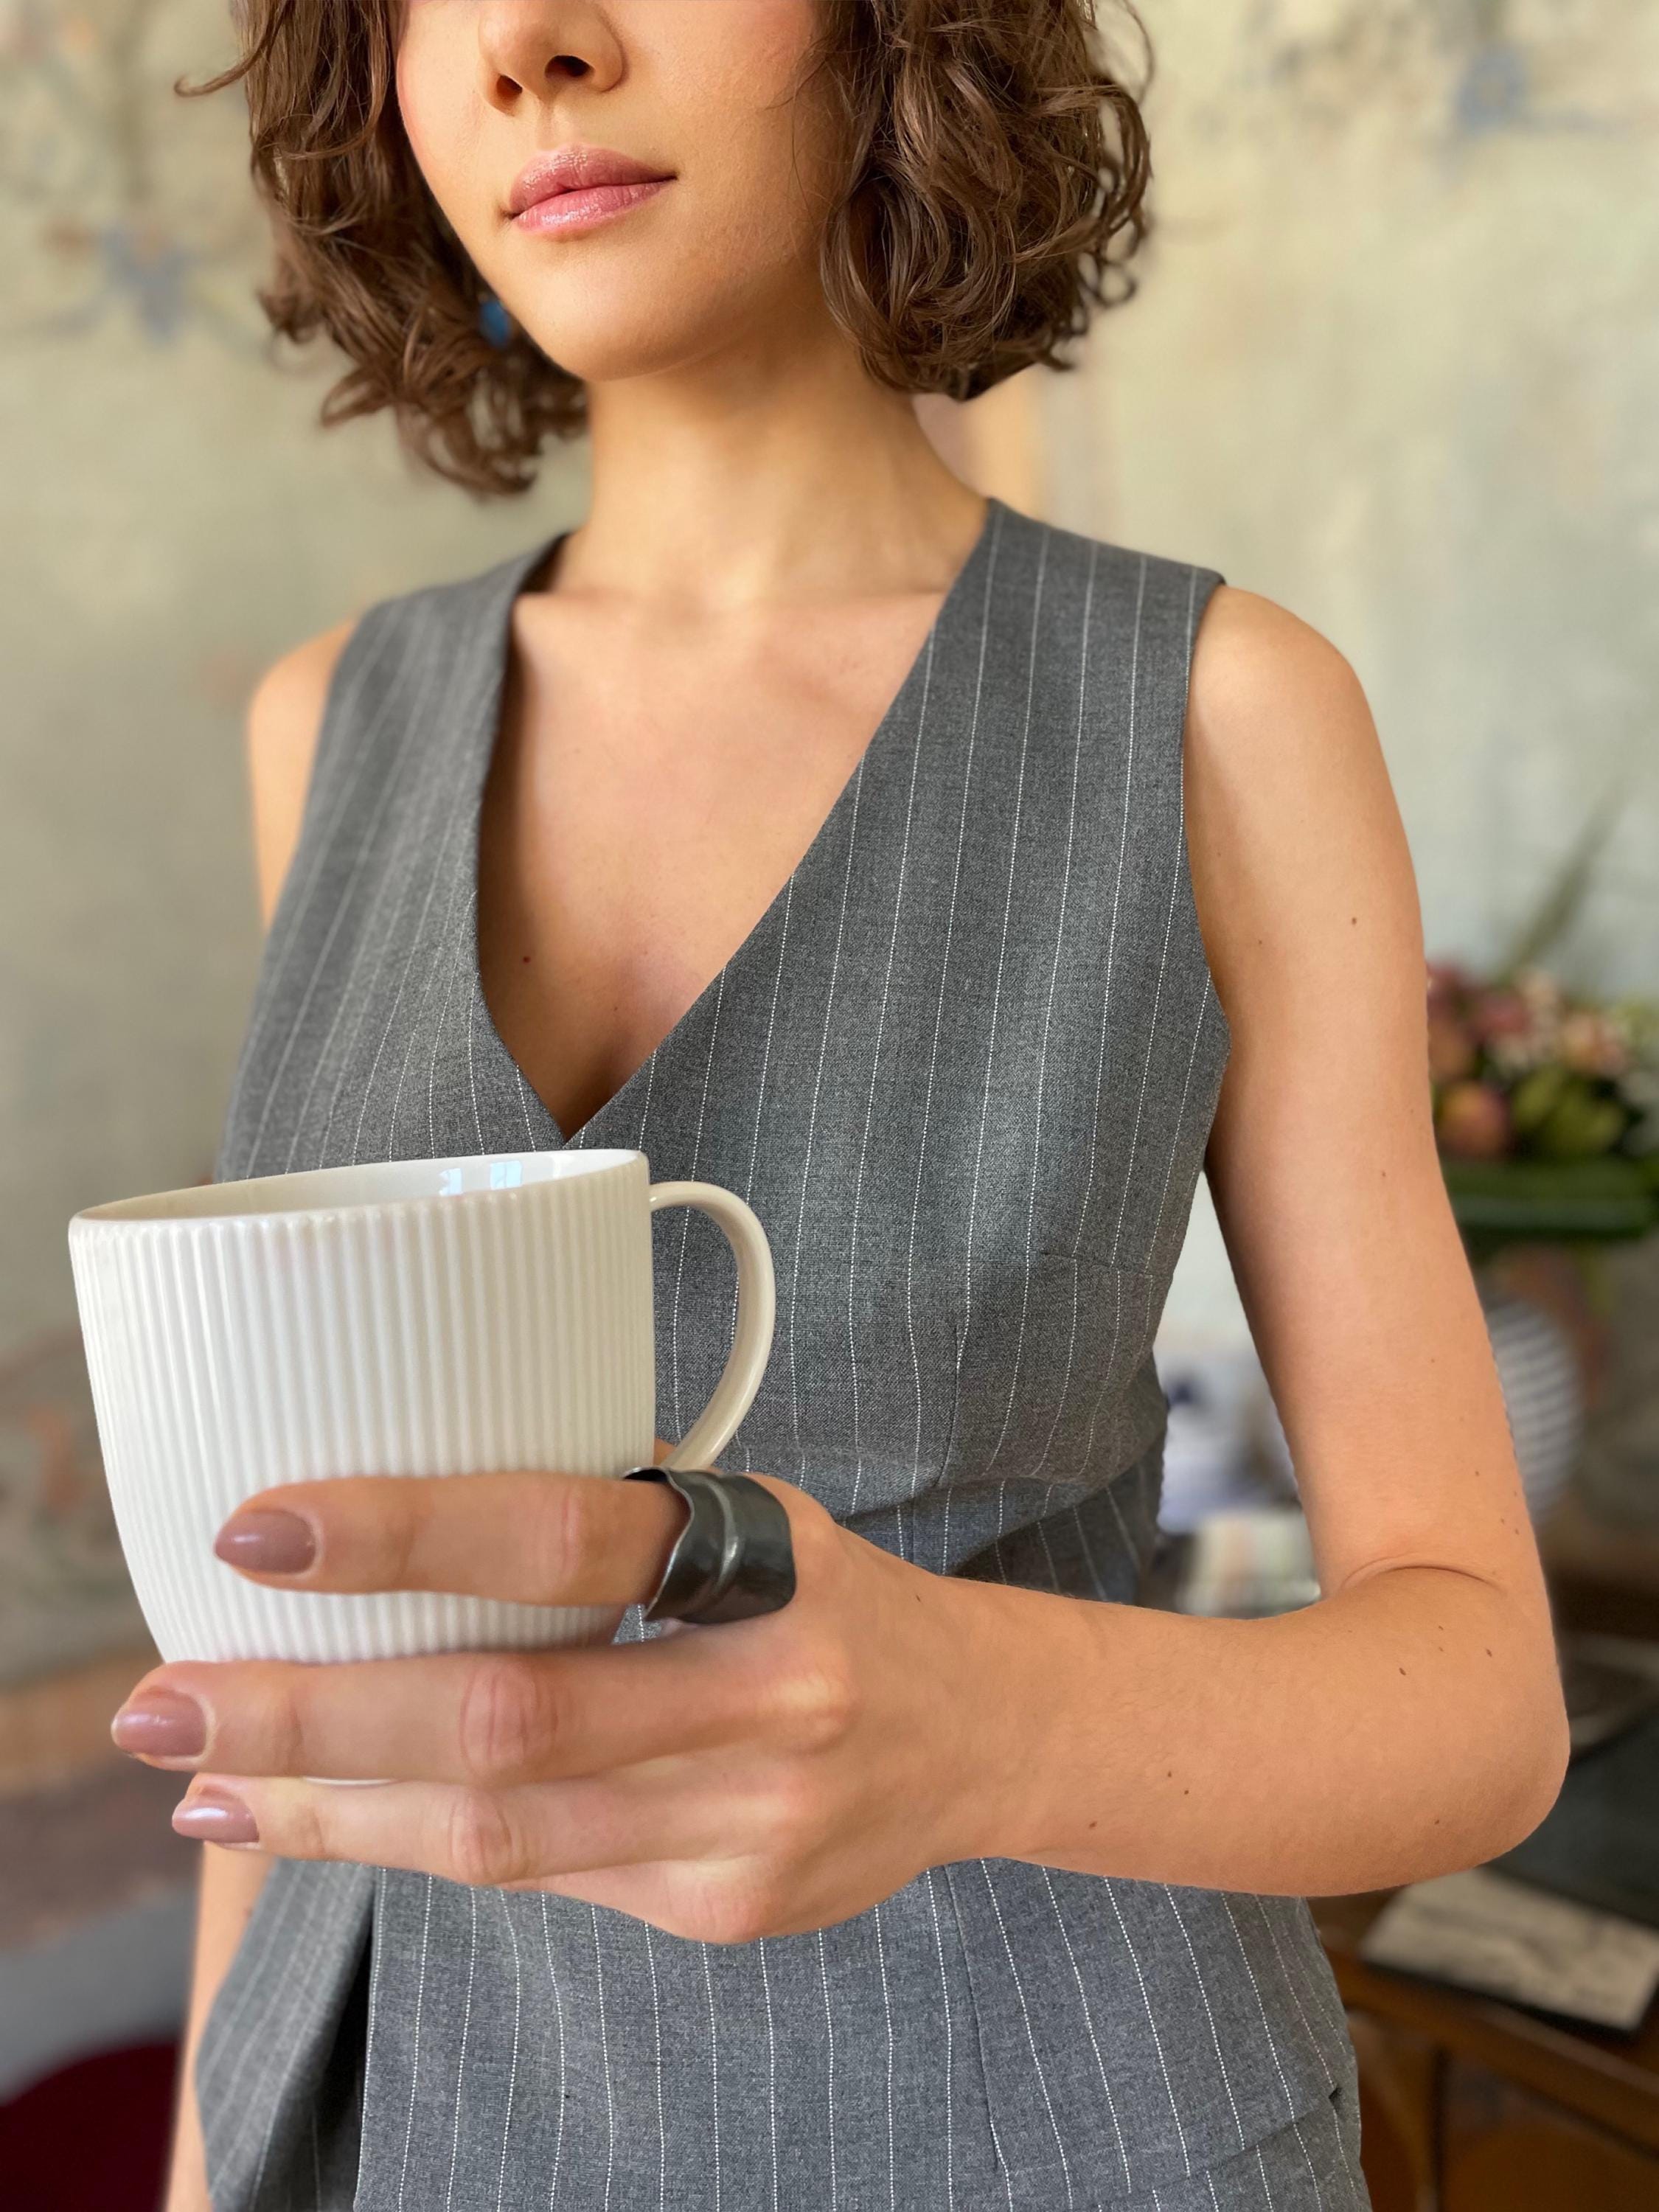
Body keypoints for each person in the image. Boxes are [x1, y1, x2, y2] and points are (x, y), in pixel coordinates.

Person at [116, 3, 1569, 2207]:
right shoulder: (331, 728)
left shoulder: (1213, 713)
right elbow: (284, 1636)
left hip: (1061, 2141)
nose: (532, 46)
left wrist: (978, 1715)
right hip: (382, 2128)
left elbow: (1477, 1700)